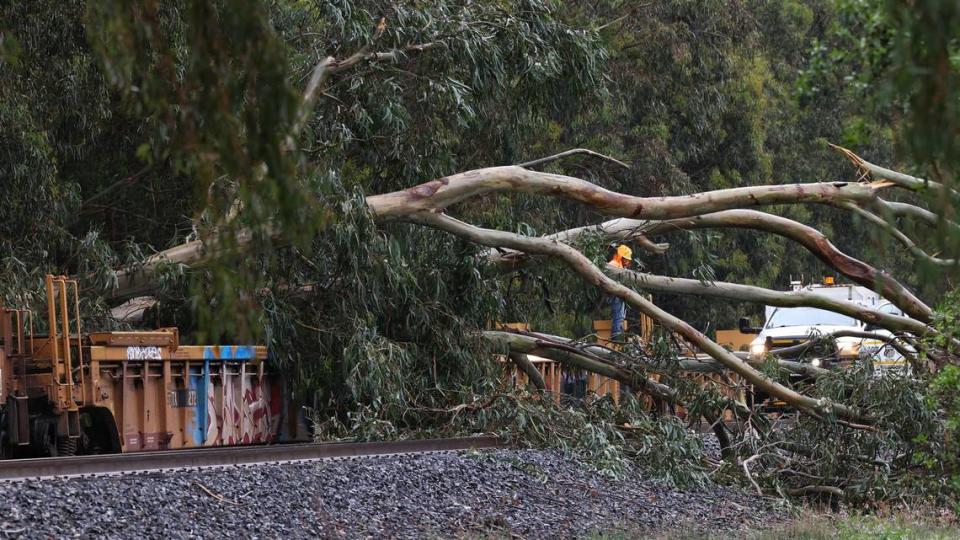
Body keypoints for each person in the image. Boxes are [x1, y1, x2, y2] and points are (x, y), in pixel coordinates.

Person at [608, 244, 632, 339]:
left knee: (621, 317)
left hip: (618, 295)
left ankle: (619, 336)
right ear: (620, 256)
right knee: (618, 317)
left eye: (628, 260)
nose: (627, 262)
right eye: (626, 259)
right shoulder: (613, 265)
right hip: (614, 295)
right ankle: (617, 338)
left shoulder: (620, 266)